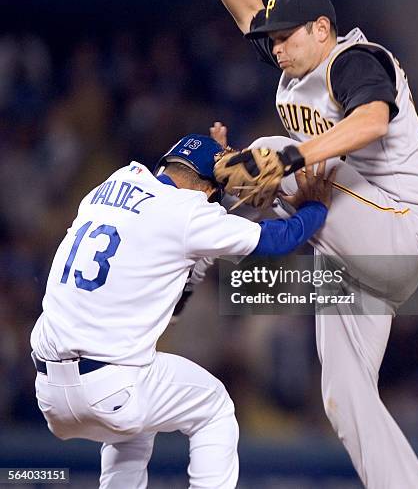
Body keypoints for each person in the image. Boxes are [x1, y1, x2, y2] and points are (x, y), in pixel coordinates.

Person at [183, 0, 418, 488]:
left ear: (321, 29)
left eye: (286, 37)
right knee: (345, 400)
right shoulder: (296, 63)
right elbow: (248, 9)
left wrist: (290, 157)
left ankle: (206, 206)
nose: (275, 47)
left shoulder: (354, 60)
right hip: (349, 254)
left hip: (397, 226)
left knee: (272, 149)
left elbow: (373, 120)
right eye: (271, 40)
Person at [31, 133, 335, 489]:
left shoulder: (114, 182)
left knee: (137, 427)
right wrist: (317, 207)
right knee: (215, 407)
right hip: (112, 388)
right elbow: (279, 239)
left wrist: (213, 158)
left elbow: (173, 256)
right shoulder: (190, 214)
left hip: (48, 390)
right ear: (209, 193)